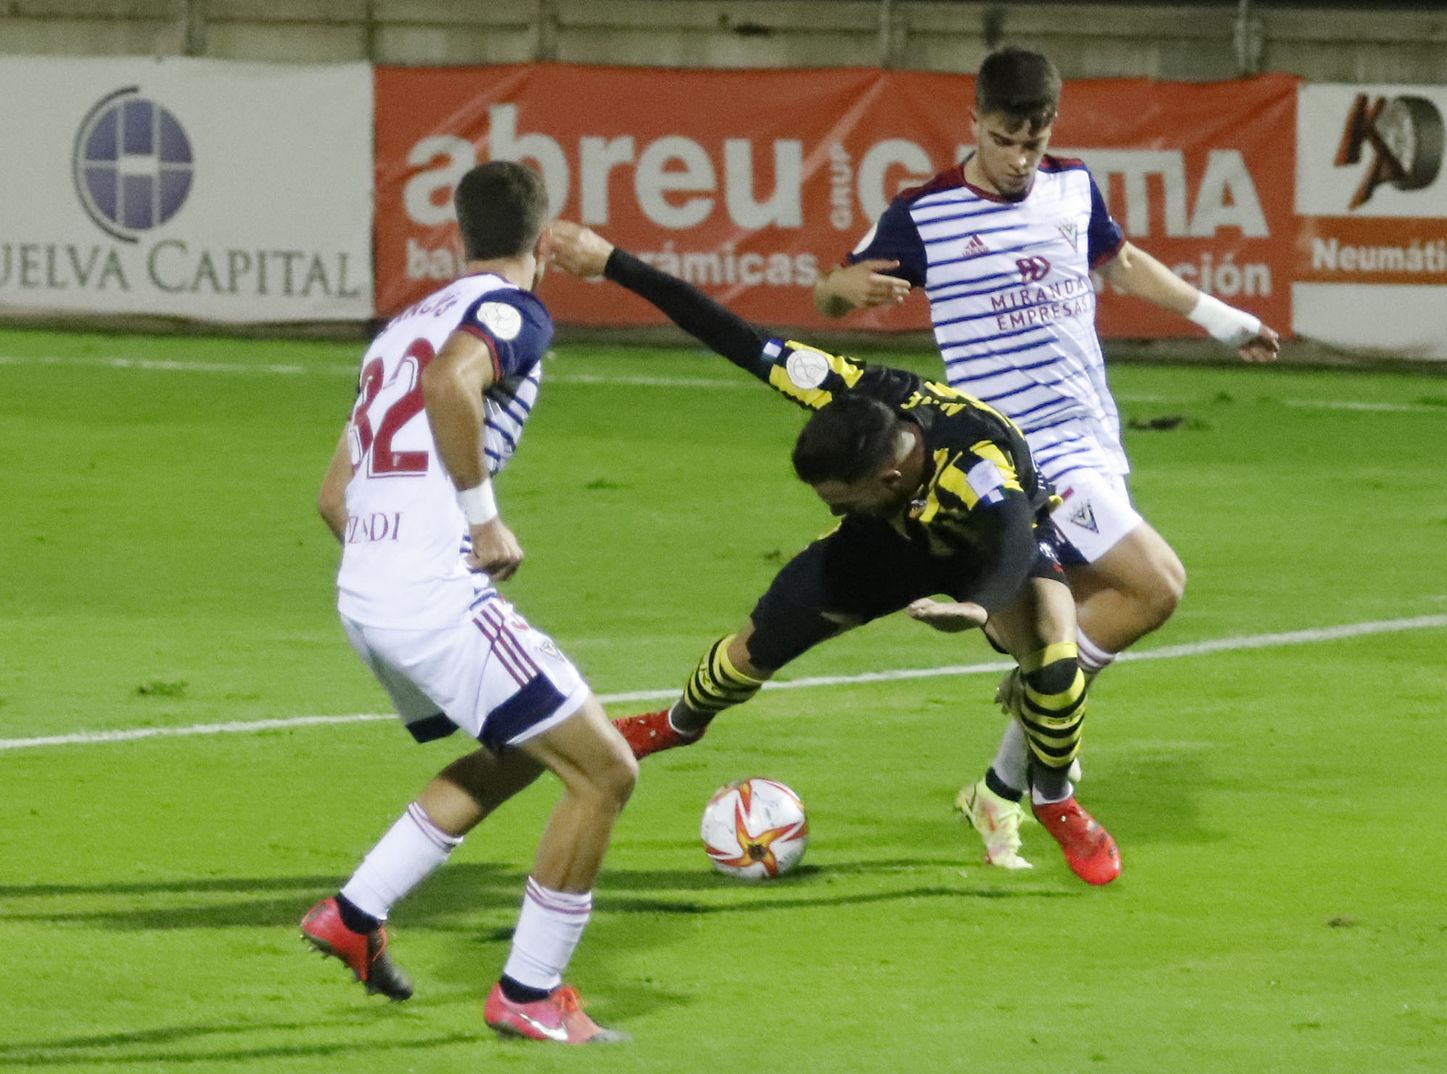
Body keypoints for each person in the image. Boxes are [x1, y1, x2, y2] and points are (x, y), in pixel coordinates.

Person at [811, 46, 1280, 870]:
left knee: (1083, 624)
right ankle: (1040, 743)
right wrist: (844, 291)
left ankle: (1000, 783)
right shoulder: (924, 213)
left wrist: (1222, 317)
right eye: (1004, 140)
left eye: (1033, 140)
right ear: (975, 122)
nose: (1021, 158)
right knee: (1157, 584)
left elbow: (1123, 264)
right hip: (1024, 450)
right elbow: (828, 288)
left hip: (1095, 438)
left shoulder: (1073, 187)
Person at [546, 219, 1120, 886]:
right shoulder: (849, 388)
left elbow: (1015, 538)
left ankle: (1054, 799)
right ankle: (679, 724)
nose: (828, 508)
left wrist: (977, 606)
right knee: (748, 652)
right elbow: (733, 336)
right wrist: (613, 261)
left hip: (984, 547)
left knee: (1053, 645)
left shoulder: (981, 465)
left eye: (835, 498)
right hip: (884, 545)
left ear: (887, 478)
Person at [298, 161, 637, 1045]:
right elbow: (451, 384)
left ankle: (355, 913)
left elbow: (334, 496)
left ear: (457, 234)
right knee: (604, 772)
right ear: (543, 238)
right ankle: (530, 993)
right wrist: (482, 526)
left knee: (523, 751)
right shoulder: (513, 312)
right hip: (428, 588)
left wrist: (397, 564)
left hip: (366, 590)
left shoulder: (396, 327)